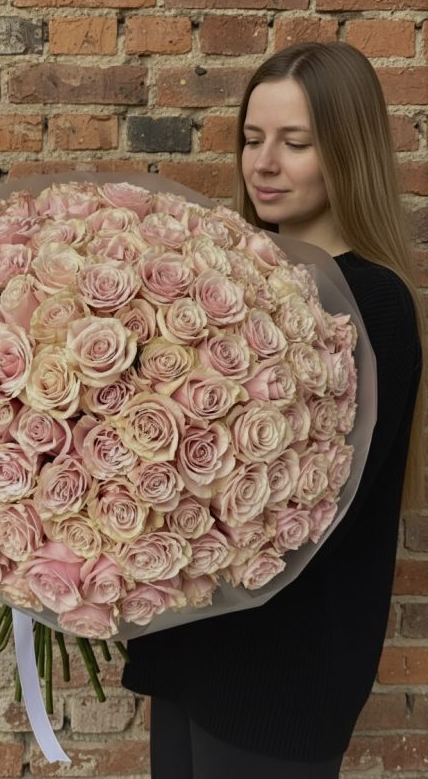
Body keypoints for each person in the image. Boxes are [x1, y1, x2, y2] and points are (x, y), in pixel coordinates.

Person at [121, 42, 424, 779]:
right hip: (197, 643)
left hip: (284, 668)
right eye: (252, 139)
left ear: (347, 153)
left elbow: (318, 509)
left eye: (295, 143)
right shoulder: (231, 284)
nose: (263, 164)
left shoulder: (373, 303)